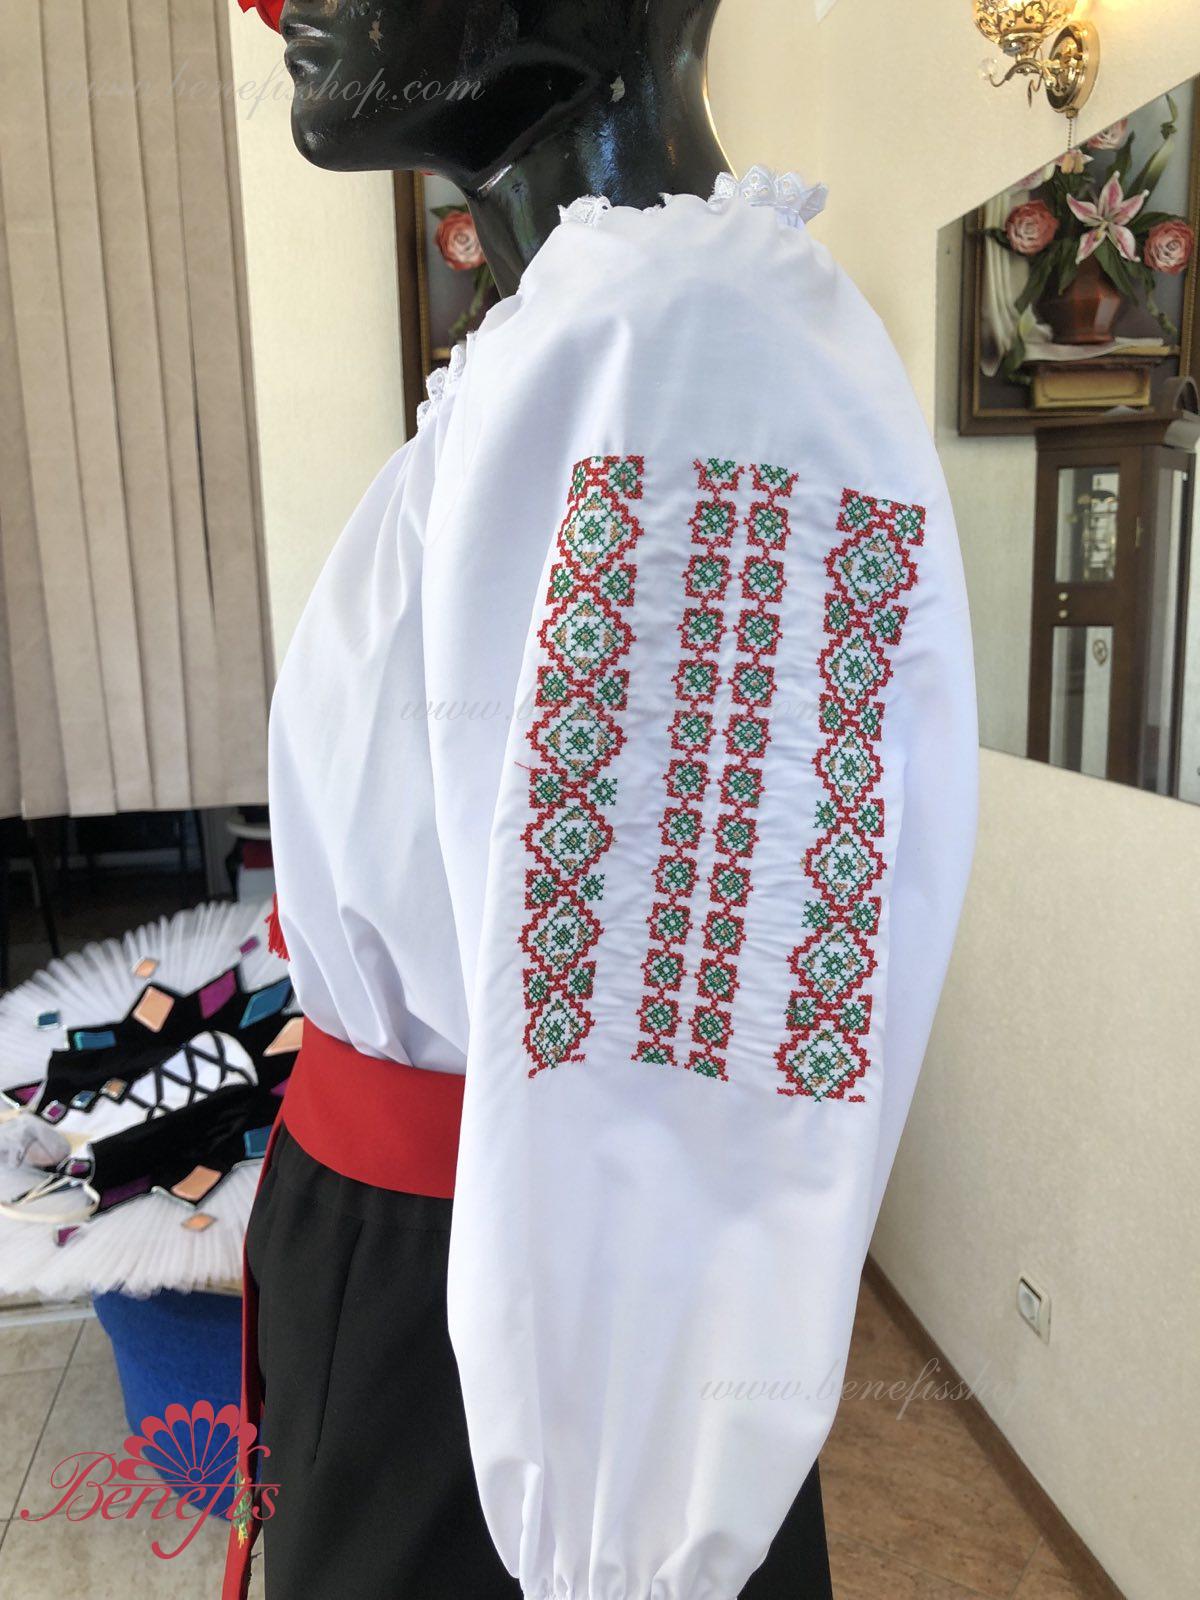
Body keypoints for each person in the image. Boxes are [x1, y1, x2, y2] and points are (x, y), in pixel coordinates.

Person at [225, 2, 978, 1597]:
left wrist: (617, 1542)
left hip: (508, 1392)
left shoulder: (675, 345)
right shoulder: (586, 332)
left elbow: (681, 1095)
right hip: (425, 1294)